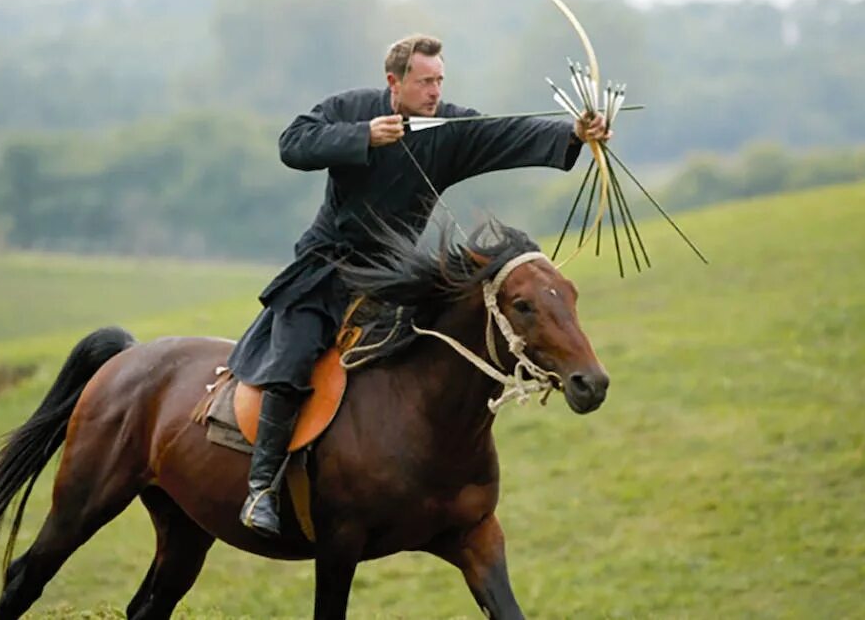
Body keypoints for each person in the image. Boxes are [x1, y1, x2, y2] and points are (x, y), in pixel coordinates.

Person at [229, 34, 610, 537]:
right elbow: (292, 144)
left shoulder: (447, 126)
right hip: (325, 270)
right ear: (395, 82)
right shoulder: (352, 109)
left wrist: (574, 135)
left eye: (439, 81)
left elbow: (505, 132)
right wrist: (362, 136)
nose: (434, 91)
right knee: (293, 360)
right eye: (425, 81)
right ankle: (262, 489)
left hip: (393, 277)